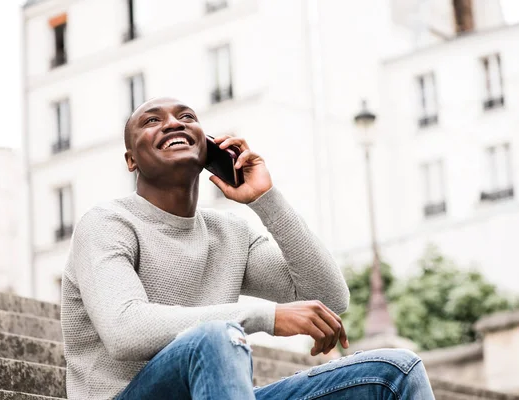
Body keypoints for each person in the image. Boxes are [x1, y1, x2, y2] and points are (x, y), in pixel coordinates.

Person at [61, 97, 435, 399]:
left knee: (395, 370)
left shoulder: (230, 233)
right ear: (131, 160)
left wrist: (266, 200)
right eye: (152, 121)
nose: (173, 123)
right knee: (214, 337)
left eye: (186, 116)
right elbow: (125, 330)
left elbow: (328, 296)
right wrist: (265, 316)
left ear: (208, 147)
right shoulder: (106, 223)